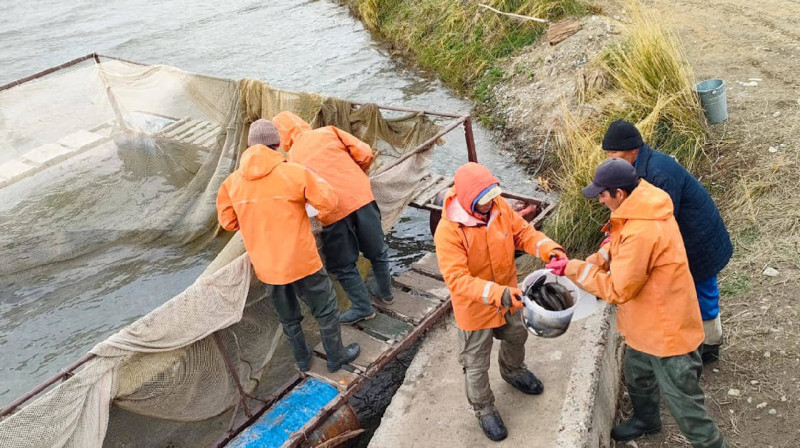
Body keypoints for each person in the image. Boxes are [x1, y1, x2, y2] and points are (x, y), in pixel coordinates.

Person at [546, 158, 726, 448]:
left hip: (668, 332)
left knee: (686, 406)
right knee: (638, 375)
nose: (600, 200)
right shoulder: (638, 206)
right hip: (645, 323)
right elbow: (614, 250)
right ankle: (647, 420)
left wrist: (573, 270)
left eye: (602, 194)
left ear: (619, 192)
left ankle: (711, 444)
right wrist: (587, 263)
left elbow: (618, 289)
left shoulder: (643, 230)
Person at [433, 162, 567, 442]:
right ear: (468, 201)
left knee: (517, 335)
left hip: (509, 298)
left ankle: (513, 371)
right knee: (475, 364)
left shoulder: (499, 207)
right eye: (483, 201)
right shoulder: (449, 231)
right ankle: (483, 408)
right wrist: (501, 294)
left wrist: (549, 250)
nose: (490, 204)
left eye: (493, 196)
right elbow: (457, 279)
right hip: (476, 309)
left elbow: (524, 234)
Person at [216, 119, 360, 373]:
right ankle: (336, 357)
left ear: (249, 146)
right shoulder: (295, 172)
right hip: (302, 260)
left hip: (268, 266)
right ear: (277, 144)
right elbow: (329, 201)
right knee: (325, 308)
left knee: (288, 318)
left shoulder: (232, 183)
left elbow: (228, 222)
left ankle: (303, 359)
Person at [601, 120, 732, 364]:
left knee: (703, 291)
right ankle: (697, 341)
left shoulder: (658, 175)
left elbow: (657, 222)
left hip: (698, 239)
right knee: (692, 292)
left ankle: (710, 346)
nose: (610, 159)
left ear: (632, 150)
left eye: (614, 153)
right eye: (608, 154)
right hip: (688, 234)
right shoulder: (639, 167)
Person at [273, 111, 393, 325]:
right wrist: (356, 175)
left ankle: (363, 308)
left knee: (343, 264)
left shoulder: (291, 160)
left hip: (333, 210)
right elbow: (365, 153)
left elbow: (299, 193)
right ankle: (386, 293)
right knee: (377, 249)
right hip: (362, 196)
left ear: (282, 138)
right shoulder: (329, 132)